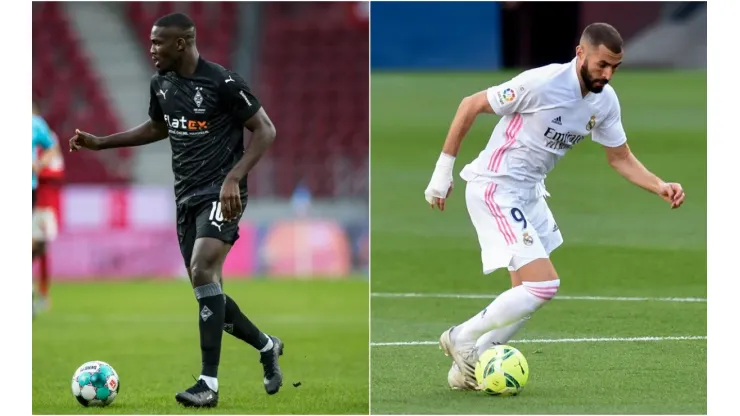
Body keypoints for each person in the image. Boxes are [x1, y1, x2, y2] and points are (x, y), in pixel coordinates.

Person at [422, 23, 686, 390]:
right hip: (495, 187)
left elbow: (620, 157)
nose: (607, 74)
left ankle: (473, 364)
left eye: (614, 67)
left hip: (529, 192)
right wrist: (442, 174)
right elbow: (471, 105)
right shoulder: (541, 84)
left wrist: (659, 185)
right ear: (581, 53)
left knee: (526, 294)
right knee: (543, 286)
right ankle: (461, 338)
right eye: (601, 65)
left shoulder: (605, 101)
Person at [69, 13, 280, 407]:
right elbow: (156, 127)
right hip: (185, 197)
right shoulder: (161, 83)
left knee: (202, 270)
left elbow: (265, 128)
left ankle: (208, 385)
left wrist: (234, 177)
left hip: (223, 192)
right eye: (149, 43)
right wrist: (101, 143)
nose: (151, 50)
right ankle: (267, 346)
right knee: (207, 292)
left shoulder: (222, 82)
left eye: (157, 43)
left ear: (181, 43)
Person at [32, 102, 60, 316]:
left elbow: (57, 171)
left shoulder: (41, 130)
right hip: (38, 198)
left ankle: (42, 293)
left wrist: (38, 167)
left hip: (42, 201)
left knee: (40, 246)